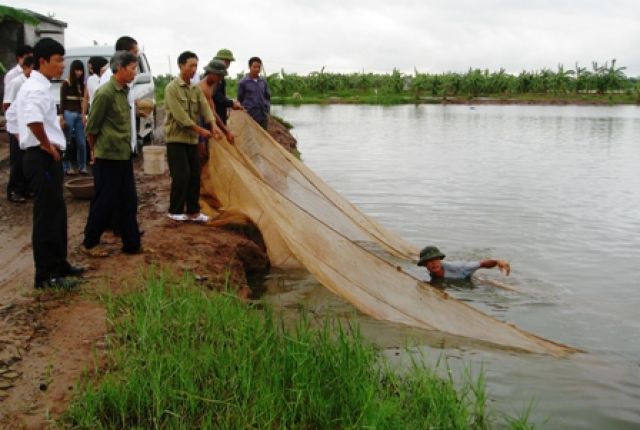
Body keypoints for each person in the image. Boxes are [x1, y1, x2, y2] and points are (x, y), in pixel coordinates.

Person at [15, 37, 85, 289]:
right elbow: (33, 121)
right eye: (57, 61)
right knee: (46, 215)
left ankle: (59, 263)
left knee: (57, 212)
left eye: (63, 60)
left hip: (46, 155)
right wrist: (46, 144)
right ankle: (46, 275)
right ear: (42, 61)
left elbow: (22, 117)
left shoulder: (41, 86)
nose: (62, 65)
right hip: (41, 157)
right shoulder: (34, 88)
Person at [82, 51, 143, 256]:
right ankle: (90, 243)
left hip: (123, 154)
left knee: (128, 200)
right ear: (120, 68)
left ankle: (132, 244)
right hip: (107, 156)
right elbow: (91, 128)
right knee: (104, 201)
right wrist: (94, 152)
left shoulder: (124, 91)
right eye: (133, 68)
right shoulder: (105, 92)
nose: (135, 72)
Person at [164, 51, 220, 222]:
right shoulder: (171, 88)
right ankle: (175, 211)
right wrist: (201, 130)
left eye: (196, 66)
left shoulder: (195, 89)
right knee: (182, 175)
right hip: (176, 139)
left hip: (191, 140)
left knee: (195, 175)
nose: (194, 69)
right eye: (191, 66)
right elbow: (181, 118)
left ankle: (193, 212)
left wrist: (214, 125)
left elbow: (205, 109)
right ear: (181, 66)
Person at [98, 36, 139, 154]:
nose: (136, 56)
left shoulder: (128, 78)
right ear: (124, 53)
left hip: (126, 143)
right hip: (112, 148)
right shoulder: (107, 79)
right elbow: (95, 120)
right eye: (135, 52)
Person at [3, 56, 35, 203]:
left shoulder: (31, 82)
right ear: (26, 67)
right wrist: (15, 129)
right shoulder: (16, 82)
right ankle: (14, 190)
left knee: (26, 161)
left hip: (26, 127)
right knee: (17, 161)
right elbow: (7, 105)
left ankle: (26, 188)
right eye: (33, 68)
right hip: (15, 127)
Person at [416, 246, 511, 280]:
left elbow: (482, 264)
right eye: (429, 262)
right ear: (424, 265)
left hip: (465, 275)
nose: (433, 264)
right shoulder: (431, 271)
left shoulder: (458, 267)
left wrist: (497, 262)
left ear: (440, 260)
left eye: (435, 260)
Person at [60, 59, 88, 174]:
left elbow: (84, 101)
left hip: (79, 115)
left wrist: (84, 115)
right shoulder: (66, 83)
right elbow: (62, 102)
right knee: (66, 140)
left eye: (81, 70)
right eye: (77, 70)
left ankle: (82, 166)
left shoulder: (82, 85)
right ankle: (66, 167)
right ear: (72, 70)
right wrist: (62, 116)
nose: (79, 72)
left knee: (81, 142)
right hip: (68, 113)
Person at [198, 59, 234, 143]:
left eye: (222, 76)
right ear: (211, 73)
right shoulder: (202, 88)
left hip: (207, 119)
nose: (220, 79)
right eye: (219, 76)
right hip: (198, 122)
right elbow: (211, 113)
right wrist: (226, 131)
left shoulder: (213, 83)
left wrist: (225, 131)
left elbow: (212, 110)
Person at [237, 57, 271, 129]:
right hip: (250, 116)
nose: (257, 69)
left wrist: (267, 108)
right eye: (255, 67)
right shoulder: (243, 82)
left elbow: (267, 96)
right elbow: (240, 99)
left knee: (263, 137)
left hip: (262, 116)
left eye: (259, 67)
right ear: (250, 67)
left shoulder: (263, 82)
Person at [212, 48, 242, 125]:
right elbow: (216, 95)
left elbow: (220, 95)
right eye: (226, 61)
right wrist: (231, 103)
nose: (227, 64)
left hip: (219, 114)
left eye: (229, 62)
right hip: (213, 116)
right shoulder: (213, 75)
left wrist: (231, 101)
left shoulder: (221, 75)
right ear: (218, 60)